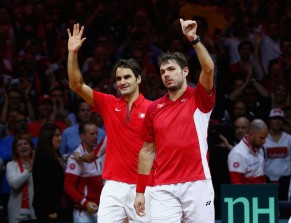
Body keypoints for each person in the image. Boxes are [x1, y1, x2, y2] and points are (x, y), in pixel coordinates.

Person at [67, 23, 152, 222]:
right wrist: (72, 53)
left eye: (127, 77)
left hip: (144, 186)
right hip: (113, 186)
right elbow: (76, 85)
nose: (122, 82)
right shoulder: (108, 103)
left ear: (138, 79)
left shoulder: (152, 108)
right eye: (118, 78)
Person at [134, 18, 215, 222]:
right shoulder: (153, 108)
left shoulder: (200, 98)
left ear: (185, 71)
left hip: (197, 182)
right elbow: (146, 150)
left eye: (171, 69)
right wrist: (140, 191)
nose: (166, 75)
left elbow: (208, 69)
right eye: (162, 72)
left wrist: (194, 39)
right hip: (163, 186)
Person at [32, 123, 73, 222]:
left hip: (63, 206)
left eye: (60, 135)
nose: (60, 138)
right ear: (47, 137)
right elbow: (41, 186)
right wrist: (50, 210)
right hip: (51, 209)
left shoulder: (57, 154)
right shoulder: (43, 158)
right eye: (57, 135)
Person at [64, 121, 104, 223]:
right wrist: (85, 203)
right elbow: (68, 186)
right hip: (84, 211)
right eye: (92, 134)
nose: (95, 137)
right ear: (82, 136)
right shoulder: (75, 158)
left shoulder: (99, 154)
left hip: (100, 209)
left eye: (96, 133)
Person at [6, 133, 36, 223]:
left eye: (26, 143)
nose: (23, 146)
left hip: (35, 210)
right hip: (16, 212)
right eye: (19, 145)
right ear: (16, 150)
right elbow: (14, 184)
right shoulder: (11, 165)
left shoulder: (38, 165)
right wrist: (29, 169)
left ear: (31, 147)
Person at [227, 119, 268, 184]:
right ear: (251, 134)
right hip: (248, 193)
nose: (264, 141)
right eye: (261, 138)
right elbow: (237, 185)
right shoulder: (237, 153)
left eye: (265, 138)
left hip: (261, 192)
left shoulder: (260, 149)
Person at [263, 108, 291, 183]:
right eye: (274, 118)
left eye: (280, 119)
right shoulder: (262, 139)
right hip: (267, 179)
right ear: (269, 121)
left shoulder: (289, 139)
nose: (277, 121)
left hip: (286, 179)